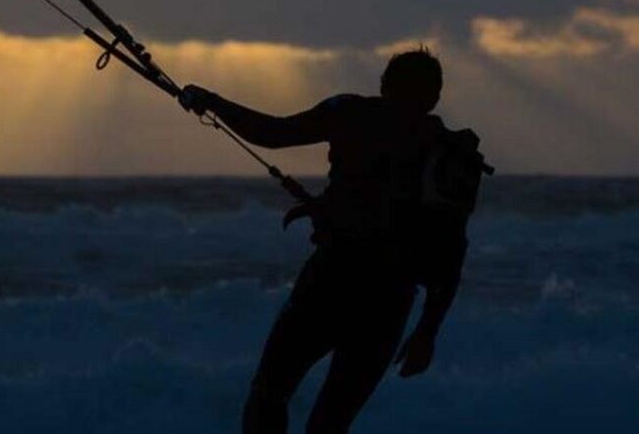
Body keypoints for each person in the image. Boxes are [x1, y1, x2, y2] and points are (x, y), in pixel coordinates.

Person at [179, 48, 475, 434]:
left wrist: (212, 101)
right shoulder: (452, 154)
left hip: (330, 284)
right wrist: (426, 333)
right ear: (435, 97)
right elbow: (452, 253)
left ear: (383, 87)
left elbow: (272, 133)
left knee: (267, 397)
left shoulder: (351, 115)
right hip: (389, 302)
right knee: (328, 426)